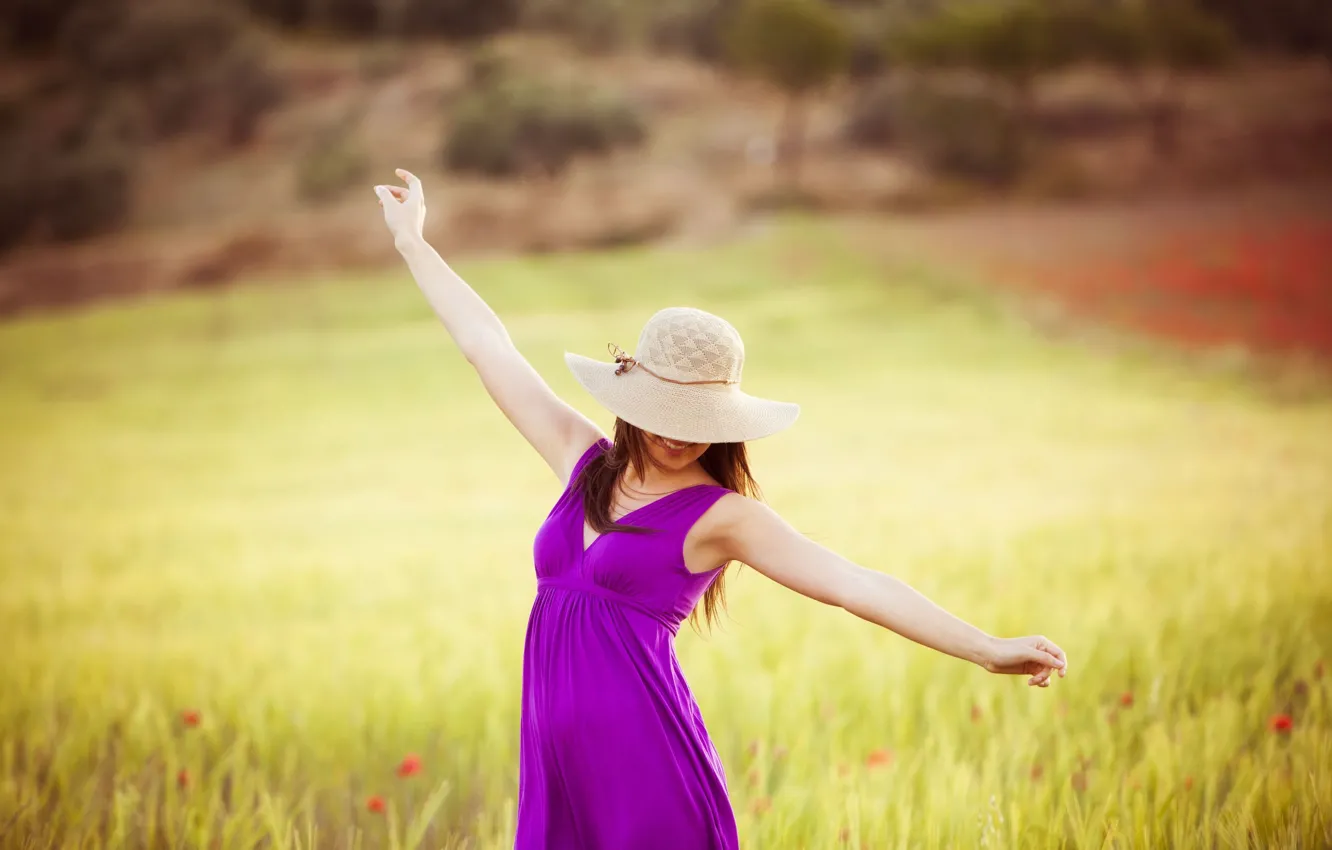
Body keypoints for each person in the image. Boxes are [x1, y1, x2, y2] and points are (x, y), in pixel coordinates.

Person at [374, 170, 1068, 850]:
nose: (678, 433)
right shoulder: (578, 460)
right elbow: (486, 345)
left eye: (700, 417)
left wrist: (987, 649)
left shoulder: (722, 517)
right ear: (630, 403)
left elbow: (856, 585)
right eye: (663, 412)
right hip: (556, 760)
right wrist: (413, 242)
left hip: (645, 762)